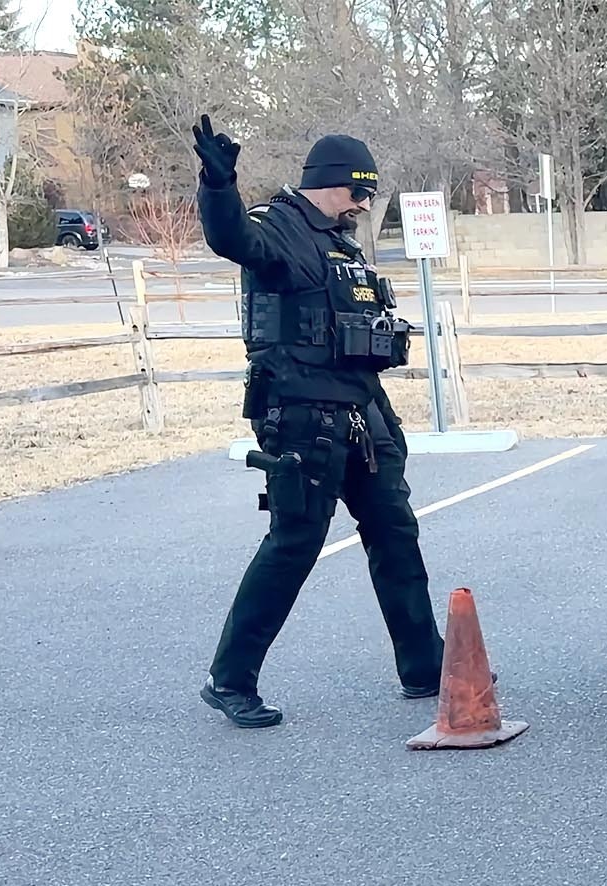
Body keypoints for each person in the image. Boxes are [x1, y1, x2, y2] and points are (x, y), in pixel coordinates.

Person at [191, 114, 449, 728]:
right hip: (303, 417)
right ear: (337, 183)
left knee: (395, 532)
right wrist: (217, 186)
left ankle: (425, 667)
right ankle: (229, 679)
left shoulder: (338, 241)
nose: (363, 205)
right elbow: (232, 240)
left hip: (361, 412)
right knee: (294, 544)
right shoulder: (276, 229)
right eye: (361, 193)